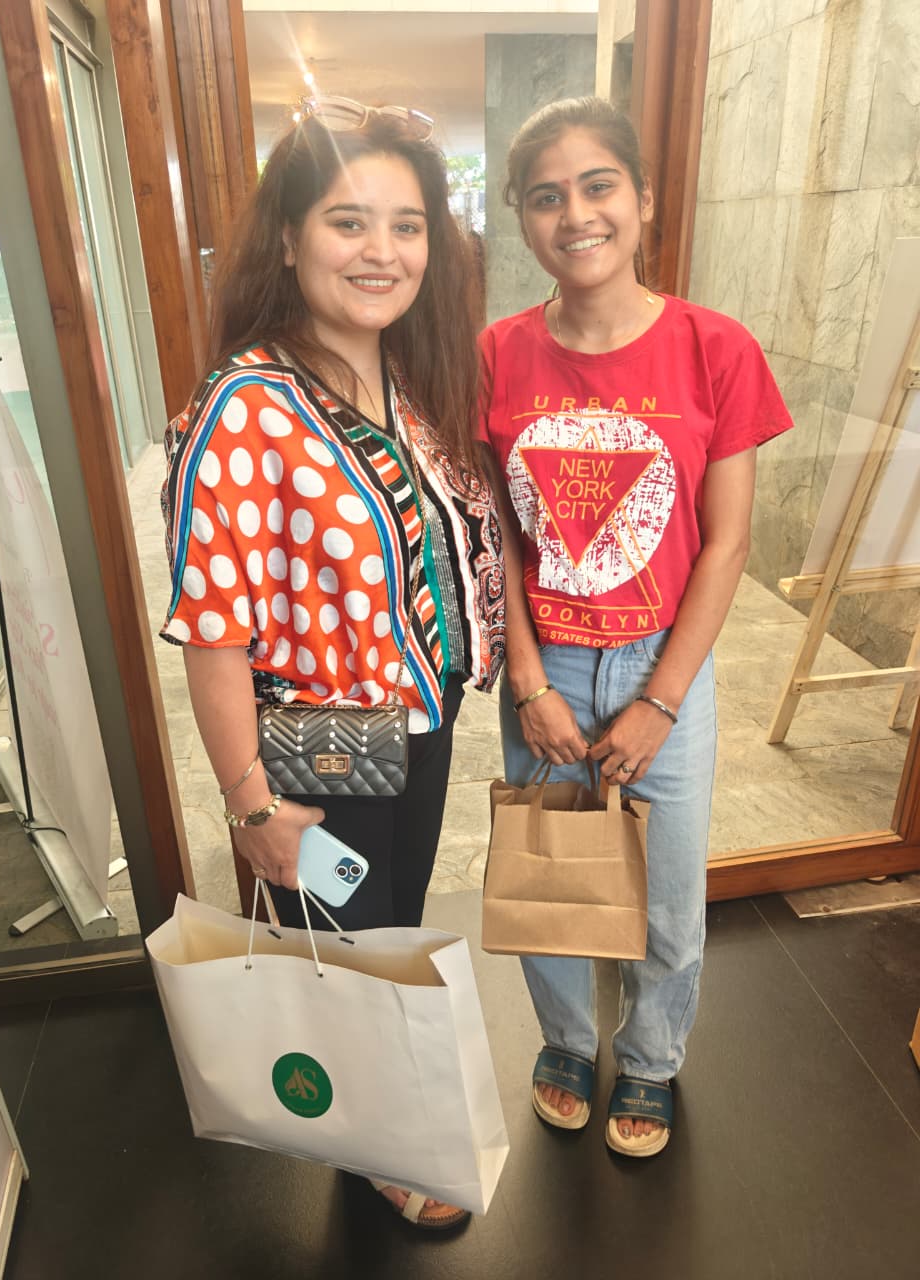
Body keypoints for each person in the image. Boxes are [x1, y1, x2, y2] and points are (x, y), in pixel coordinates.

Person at [160, 97, 504, 1226]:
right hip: (320, 741)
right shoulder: (245, 405)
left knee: (388, 925)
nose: (381, 251)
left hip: (420, 721)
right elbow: (216, 630)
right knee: (348, 948)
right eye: (349, 222)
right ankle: (377, 1147)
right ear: (290, 237)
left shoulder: (406, 380)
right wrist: (252, 804)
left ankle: (387, 1117)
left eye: (407, 226)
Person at [479, 96, 792, 1156]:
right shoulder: (495, 355)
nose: (576, 215)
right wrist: (529, 680)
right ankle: (567, 1040)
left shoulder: (717, 347)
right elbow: (497, 541)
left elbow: (727, 543)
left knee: (667, 889)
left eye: (598, 185)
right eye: (546, 196)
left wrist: (661, 699)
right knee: (553, 871)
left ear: (644, 199)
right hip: (549, 665)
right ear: (523, 218)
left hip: (667, 664)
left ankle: (652, 1057)